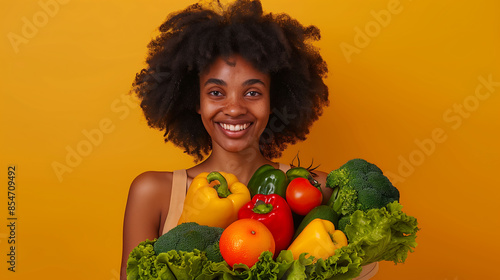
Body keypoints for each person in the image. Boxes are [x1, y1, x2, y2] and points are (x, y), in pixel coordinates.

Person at [120, 0, 331, 278]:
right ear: (195, 101)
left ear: (273, 101)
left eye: (253, 92)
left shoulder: (316, 191)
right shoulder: (153, 193)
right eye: (216, 93)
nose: (234, 108)